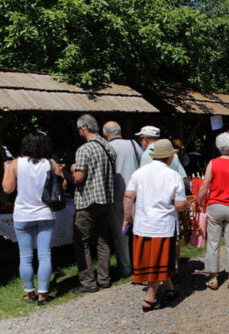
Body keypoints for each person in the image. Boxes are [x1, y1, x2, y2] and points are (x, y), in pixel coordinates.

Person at [122, 139, 187, 312]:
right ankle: (150, 298)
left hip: (143, 224)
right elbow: (180, 205)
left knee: (155, 261)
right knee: (160, 262)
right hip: (163, 225)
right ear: (170, 157)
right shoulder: (174, 176)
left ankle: (170, 289)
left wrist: (126, 219)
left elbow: (128, 196)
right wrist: (185, 205)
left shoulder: (139, 173)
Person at [2, 132, 65, 305]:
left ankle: (30, 293)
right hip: (45, 213)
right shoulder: (50, 163)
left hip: (23, 214)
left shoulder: (16, 163)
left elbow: (7, 189)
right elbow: (63, 185)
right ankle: (43, 294)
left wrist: (7, 168)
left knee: (26, 256)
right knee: (45, 255)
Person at [197, 133, 229, 290]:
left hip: (214, 205)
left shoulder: (213, 163)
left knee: (213, 242)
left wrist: (199, 201)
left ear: (219, 147)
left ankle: (213, 278)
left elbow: (205, 184)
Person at [71, 114, 115, 294]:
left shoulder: (84, 150)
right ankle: (104, 278)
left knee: (82, 242)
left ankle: (88, 282)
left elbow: (78, 178)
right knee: (103, 240)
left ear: (83, 129)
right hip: (105, 200)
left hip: (87, 201)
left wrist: (73, 169)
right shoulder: (108, 147)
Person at [103, 121, 141, 277]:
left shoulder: (107, 148)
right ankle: (141, 264)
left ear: (106, 134)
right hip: (136, 194)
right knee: (139, 231)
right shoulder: (133, 144)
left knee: (121, 235)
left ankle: (126, 268)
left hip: (117, 195)